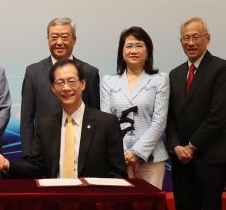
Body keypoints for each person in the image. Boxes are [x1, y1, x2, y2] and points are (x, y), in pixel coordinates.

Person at [167, 17, 226, 210]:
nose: (191, 42)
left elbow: (218, 115)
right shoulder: (173, 74)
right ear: (181, 41)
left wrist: (192, 146)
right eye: (186, 38)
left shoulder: (221, 68)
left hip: (208, 156)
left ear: (208, 38)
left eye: (196, 37)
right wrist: (175, 146)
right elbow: (169, 118)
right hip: (180, 157)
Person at [19, 59, 126, 178]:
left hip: (92, 195)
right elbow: (35, 169)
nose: (66, 88)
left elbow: (118, 173)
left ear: (83, 84)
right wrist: (7, 165)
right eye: (60, 82)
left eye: (71, 81)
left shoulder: (107, 123)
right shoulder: (46, 126)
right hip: (56, 194)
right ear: (53, 88)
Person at [100, 26, 170, 188]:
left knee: (148, 209)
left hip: (152, 159)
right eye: (129, 46)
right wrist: (122, 153)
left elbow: (159, 121)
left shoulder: (160, 79)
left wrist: (137, 152)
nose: (134, 50)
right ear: (122, 52)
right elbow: (107, 122)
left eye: (139, 45)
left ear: (147, 52)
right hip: (118, 158)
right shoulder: (109, 82)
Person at [20, 17, 100, 157]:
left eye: (64, 37)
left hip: (81, 151)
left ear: (74, 40)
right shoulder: (33, 72)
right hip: (43, 152)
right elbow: (26, 119)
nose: (59, 42)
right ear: (48, 39)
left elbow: (95, 116)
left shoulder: (89, 72)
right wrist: (29, 155)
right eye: (54, 37)